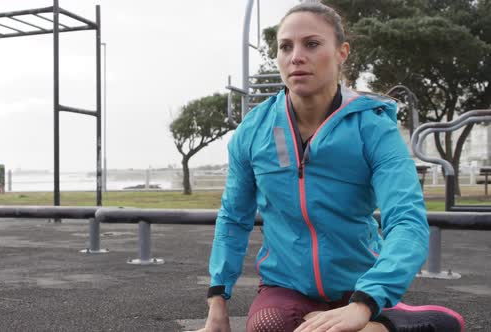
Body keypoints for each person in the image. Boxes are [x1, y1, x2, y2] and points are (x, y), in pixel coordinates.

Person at [196, 2, 465, 332]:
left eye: (311, 44)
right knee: (267, 326)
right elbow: (233, 217)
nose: (296, 56)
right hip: (286, 284)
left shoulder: (373, 126)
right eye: (285, 46)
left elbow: (406, 219)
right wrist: (217, 303)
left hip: (360, 283)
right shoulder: (255, 130)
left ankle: (400, 321)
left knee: (353, 329)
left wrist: (365, 302)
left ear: (341, 53)